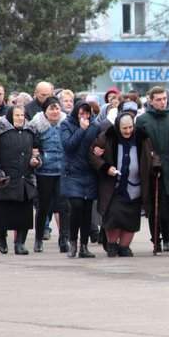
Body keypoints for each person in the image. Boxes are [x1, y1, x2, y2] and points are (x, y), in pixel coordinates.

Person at [136, 86, 169, 253]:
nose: (162, 102)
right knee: (156, 205)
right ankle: (156, 239)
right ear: (151, 101)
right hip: (152, 167)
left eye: (164, 98)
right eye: (158, 99)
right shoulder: (143, 120)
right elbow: (140, 145)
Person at [0, 105, 41, 255]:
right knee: (4, 212)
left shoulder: (30, 131)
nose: (20, 118)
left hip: (25, 178)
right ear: (10, 116)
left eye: (22, 115)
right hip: (6, 177)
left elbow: (36, 150)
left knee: (24, 214)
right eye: (17, 115)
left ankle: (20, 244)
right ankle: (2, 239)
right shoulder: (0, 130)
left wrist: (35, 160)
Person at [90, 113, 144, 257]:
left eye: (130, 127)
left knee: (131, 219)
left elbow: (151, 154)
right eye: (124, 128)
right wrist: (106, 167)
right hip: (113, 186)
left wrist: (155, 165)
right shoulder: (107, 136)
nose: (128, 131)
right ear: (117, 127)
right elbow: (93, 155)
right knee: (113, 217)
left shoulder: (141, 137)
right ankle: (112, 244)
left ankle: (124, 246)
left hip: (135, 187)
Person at [29, 96, 69, 253]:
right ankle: (38, 239)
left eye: (57, 108)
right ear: (44, 111)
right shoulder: (36, 125)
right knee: (43, 207)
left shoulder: (66, 124)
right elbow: (32, 146)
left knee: (64, 207)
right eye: (51, 108)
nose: (55, 111)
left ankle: (64, 239)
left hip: (62, 172)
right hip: (44, 171)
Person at [61, 100, 99, 258]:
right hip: (73, 173)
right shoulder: (66, 125)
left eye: (87, 114)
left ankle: (84, 245)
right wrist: (81, 130)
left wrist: (99, 149)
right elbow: (68, 145)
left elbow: (99, 142)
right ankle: (73, 242)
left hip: (89, 173)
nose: (85, 117)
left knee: (87, 210)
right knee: (76, 206)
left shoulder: (95, 127)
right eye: (81, 113)